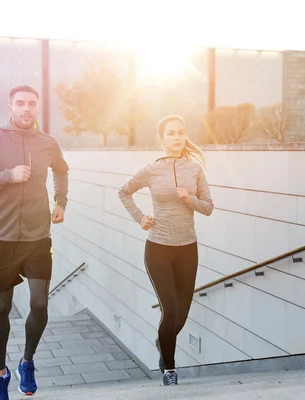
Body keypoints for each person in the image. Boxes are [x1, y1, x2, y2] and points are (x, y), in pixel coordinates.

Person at [0, 85, 68, 399]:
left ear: (38, 109)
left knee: (39, 303)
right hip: (3, 237)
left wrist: (60, 201)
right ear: (10, 108)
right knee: (2, 307)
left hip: (38, 236)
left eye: (32, 104)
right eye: (20, 103)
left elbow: (62, 171)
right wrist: (7, 176)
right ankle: (0, 374)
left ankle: (27, 361)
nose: (26, 109)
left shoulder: (48, 142)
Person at [117, 115, 213, 386]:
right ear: (162, 139)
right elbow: (124, 192)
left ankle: (163, 342)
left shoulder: (195, 169)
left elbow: (208, 207)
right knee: (169, 311)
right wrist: (140, 217)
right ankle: (170, 370)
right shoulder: (151, 169)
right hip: (158, 248)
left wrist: (189, 198)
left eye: (180, 132)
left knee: (181, 314)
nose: (177, 137)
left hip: (187, 249)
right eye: (171, 133)